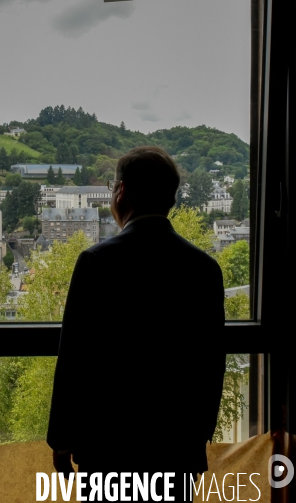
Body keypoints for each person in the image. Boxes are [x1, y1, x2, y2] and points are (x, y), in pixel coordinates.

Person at [47, 146, 226, 501]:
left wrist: (62, 439)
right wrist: (198, 435)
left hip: (108, 448)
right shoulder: (204, 269)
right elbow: (212, 363)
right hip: (176, 450)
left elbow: (74, 360)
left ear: (121, 191)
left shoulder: (96, 261)